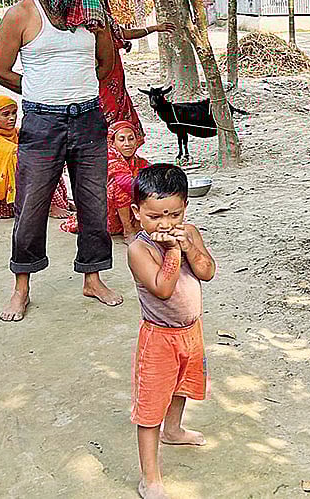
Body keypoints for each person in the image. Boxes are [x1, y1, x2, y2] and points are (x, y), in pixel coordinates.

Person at [0, 0, 121, 322]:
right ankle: (21, 288)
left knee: (93, 202)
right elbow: (0, 70)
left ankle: (93, 278)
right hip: (42, 122)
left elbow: (105, 66)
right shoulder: (21, 15)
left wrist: (100, 34)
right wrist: (37, 93)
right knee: (31, 206)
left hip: (88, 119)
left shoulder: (92, 9)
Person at [127, 164, 215, 499]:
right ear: (137, 213)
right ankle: (150, 477)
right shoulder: (140, 249)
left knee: (182, 385)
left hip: (191, 331)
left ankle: (174, 429)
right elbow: (163, 288)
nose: (165, 224)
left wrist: (190, 245)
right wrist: (175, 251)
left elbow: (207, 271)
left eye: (173, 215)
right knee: (150, 408)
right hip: (159, 337)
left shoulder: (188, 231)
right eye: (155, 217)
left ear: (184, 208)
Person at [78, 0, 175, 140]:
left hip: (115, 72)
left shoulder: (105, 15)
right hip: (99, 73)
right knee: (105, 112)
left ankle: (122, 153)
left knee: (119, 109)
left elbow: (123, 33)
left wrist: (154, 28)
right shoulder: (84, 18)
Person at [0, 95, 71, 220]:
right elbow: (13, 152)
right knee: (33, 162)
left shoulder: (15, 133)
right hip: (3, 198)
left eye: (14, 113)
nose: (12, 118)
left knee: (47, 158)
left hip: (20, 188)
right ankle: (49, 206)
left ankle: (58, 201)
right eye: (5, 114)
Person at [60, 120, 150, 243]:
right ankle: (128, 231)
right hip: (103, 213)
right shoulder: (109, 157)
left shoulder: (139, 162)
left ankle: (136, 225)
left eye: (131, 139)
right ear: (113, 142)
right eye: (122, 139)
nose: (127, 144)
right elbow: (124, 182)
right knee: (118, 186)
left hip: (126, 212)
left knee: (149, 180)